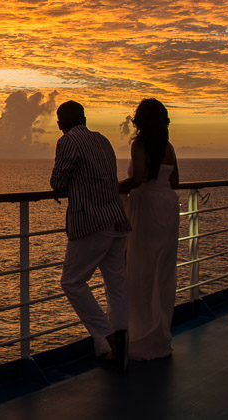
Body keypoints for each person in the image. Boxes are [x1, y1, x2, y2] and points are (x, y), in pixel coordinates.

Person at [50, 100, 131, 371]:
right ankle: (122, 346)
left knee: (72, 282)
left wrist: (67, 186)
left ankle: (108, 338)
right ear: (84, 118)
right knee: (116, 285)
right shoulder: (103, 140)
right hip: (117, 220)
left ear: (61, 124)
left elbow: (58, 182)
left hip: (92, 221)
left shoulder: (68, 141)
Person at [119, 98, 179, 360]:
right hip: (168, 206)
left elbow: (139, 178)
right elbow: (176, 181)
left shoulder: (139, 145)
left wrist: (114, 186)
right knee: (162, 270)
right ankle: (160, 337)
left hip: (147, 208)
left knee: (141, 270)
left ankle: (141, 339)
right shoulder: (168, 147)